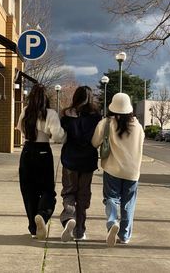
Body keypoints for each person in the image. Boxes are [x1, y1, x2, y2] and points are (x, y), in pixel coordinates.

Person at [92, 92, 144, 247]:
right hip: (132, 171)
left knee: (112, 198)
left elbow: (94, 143)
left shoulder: (106, 123)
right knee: (128, 203)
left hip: (112, 169)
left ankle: (112, 221)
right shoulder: (138, 126)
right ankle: (124, 235)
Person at [16, 84, 65, 240]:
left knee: (28, 191)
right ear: (46, 98)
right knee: (47, 190)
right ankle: (42, 215)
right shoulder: (50, 113)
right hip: (43, 151)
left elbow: (20, 129)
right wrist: (62, 135)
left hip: (27, 150)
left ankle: (33, 227)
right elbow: (57, 136)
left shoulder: (25, 111)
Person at [60, 86, 102, 242]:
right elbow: (97, 140)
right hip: (87, 161)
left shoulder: (66, 115)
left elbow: (62, 136)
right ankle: (80, 231)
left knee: (69, 192)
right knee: (83, 195)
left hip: (70, 160)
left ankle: (69, 218)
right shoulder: (96, 117)